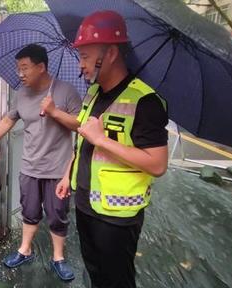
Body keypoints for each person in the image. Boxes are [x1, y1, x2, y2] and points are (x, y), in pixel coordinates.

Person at [47, 10, 169, 288]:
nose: (81, 65)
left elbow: (158, 164)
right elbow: (82, 141)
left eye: (86, 57)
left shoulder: (145, 102)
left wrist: (103, 140)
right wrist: (68, 174)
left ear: (111, 54)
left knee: (116, 279)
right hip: (86, 203)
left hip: (117, 217)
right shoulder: (93, 93)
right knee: (95, 272)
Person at [0, 44, 82, 281]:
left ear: (41, 67)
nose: (20, 74)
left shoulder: (66, 91)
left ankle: (58, 258)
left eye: (25, 68)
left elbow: (80, 125)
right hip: (30, 166)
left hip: (58, 168)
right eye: (18, 68)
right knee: (29, 211)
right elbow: (8, 120)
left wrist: (54, 111)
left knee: (57, 215)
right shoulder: (22, 94)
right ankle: (25, 250)